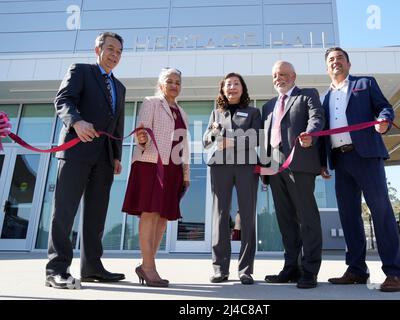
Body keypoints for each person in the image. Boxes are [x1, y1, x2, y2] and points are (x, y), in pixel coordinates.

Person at [320, 47, 400, 292]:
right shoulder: (324, 97)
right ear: (327, 68)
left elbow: (385, 108)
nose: (335, 62)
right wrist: (321, 162)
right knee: (348, 217)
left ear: (348, 63)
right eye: (331, 60)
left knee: (381, 213)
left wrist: (384, 121)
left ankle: (394, 273)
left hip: (367, 156)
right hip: (340, 160)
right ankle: (357, 270)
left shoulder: (365, 84)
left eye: (339, 58)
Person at [45, 32, 126, 289]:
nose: (115, 55)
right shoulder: (80, 70)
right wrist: (77, 122)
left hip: (104, 158)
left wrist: (116, 156)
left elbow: (118, 124)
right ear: (97, 49)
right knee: (64, 211)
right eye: (110, 49)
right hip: (76, 151)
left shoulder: (120, 87)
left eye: (119, 52)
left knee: (96, 215)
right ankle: (56, 269)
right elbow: (63, 100)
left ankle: (92, 267)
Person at [122, 67, 190, 287]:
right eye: (169, 81)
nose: (174, 85)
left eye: (178, 82)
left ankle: (147, 264)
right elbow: (143, 132)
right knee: (149, 214)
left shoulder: (183, 113)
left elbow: (184, 145)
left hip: (173, 168)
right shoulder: (151, 102)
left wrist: (185, 173)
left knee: (162, 217)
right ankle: (149, 268)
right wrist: (142, 139)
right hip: (151, 164)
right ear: (161, 84)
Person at [261, 61, 324, 289]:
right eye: (276, 75)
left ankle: (310, 270)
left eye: (284, 74)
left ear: (294, 76)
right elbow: (263, 139)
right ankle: (291, 268)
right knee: (285, 221)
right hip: (275, 168)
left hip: (300, 163)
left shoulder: (307, 95)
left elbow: (317, 118)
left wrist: (311, 133)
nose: (280, 78)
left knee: (307, 219)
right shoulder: (267, 106)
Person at [203, 72, 261, 285]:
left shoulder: (253, 112)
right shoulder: (216, 113)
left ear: (242, 88)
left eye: (236, 84)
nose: (232, 87)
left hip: (246, 167)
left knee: (247, 216)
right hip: (220, 167)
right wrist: (213, 133)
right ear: (223, 89)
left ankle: (245, 270)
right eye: (228, 84)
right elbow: (206, 142)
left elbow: (255, 137)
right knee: (220, 216)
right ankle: (220, 269)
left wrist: (230, 141)